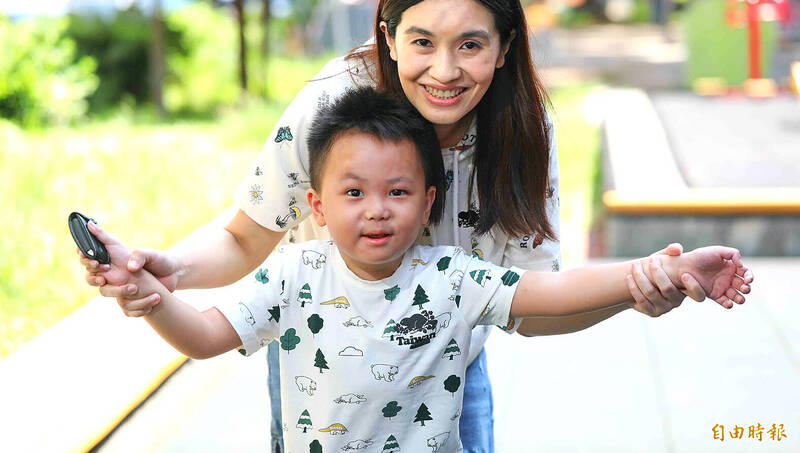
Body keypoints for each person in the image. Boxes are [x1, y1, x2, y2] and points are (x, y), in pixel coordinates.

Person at [79, 0, 714, 453]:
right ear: (387, 36)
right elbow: (246, 236)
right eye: (421, 42)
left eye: (471, 43)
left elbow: (532, 299)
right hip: (321, 373)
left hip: (447, 371)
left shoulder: (521, 130)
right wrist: (167, 275)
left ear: (505, 47)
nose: (444, 71)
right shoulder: (332, 108)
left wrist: (638, 290)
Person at [96, 87, 752, 453]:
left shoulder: (454, 275)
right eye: (354, 193)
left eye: (399, 192)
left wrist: (655, 269)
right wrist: (154, 297)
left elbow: (549, 290)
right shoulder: (292, 273)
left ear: (430, 200)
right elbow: (208, 334)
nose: (377, 211)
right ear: (317, 205)